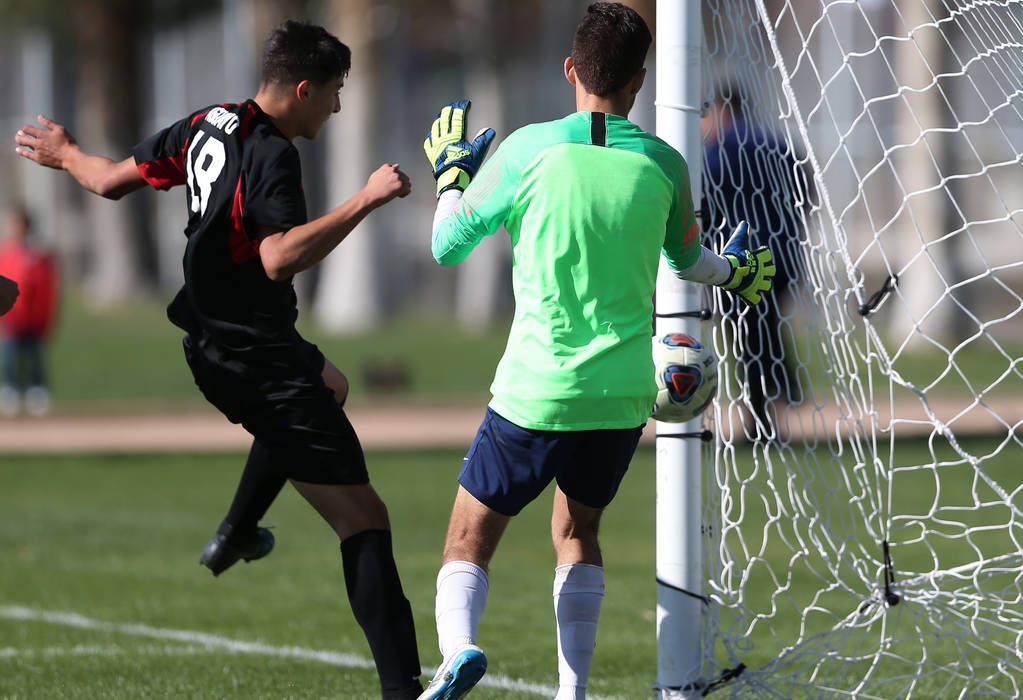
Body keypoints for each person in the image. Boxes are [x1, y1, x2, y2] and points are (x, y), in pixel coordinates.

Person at [15, 20, 423, 699]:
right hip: (254, 355)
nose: (337, 107)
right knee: (365, 519)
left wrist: (67, 154)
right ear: (302, 89)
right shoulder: (274, 154)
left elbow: (112, 180)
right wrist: (366, 198)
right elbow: (278, 255)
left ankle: (236, 531)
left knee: (335, 383)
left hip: (214, 337)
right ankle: (403, 692)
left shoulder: (208, 123)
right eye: (333, 93)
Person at [416, 4, 775, 699]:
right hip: (622, 394)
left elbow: (445, 244)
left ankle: (458, 650)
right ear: (640, 80)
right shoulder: (667, 163)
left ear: (571, 69)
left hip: (536, 389)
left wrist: (453, 178)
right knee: (577, 533)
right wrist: (737, 273)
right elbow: (693, 260)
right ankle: (571, 691)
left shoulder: (528, 149)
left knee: (468, 540)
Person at [699, 83, 811, 438]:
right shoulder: (776, 143)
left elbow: (703, 200)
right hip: (783, 256)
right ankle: (784, 393)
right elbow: (805, 191)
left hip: (743, 264)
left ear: (720, 109)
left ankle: (762, 420)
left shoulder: (720, 148)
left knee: (748, 339)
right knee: (766, 329)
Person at [0, 204, 60, 417]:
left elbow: (47, 289)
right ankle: (11, 390)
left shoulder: (38, 255)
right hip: (11, 319)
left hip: (34, 319)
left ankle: (37, 391)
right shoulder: (6, 254)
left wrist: (46, 318)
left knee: (35, 357)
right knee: (9, 357)